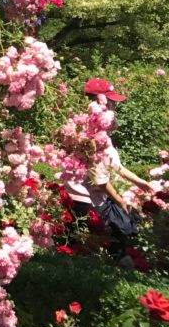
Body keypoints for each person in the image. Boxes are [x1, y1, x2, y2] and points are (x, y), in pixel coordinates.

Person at [64, 78, 155, 249]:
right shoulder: (93, 136)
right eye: (112, 102)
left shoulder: (97, 130)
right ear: (100, 102)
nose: (114, 106)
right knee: (115, 238)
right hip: (85, 201)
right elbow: (100, 181)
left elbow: (116, 167)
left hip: (90, 196)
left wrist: (139, 182)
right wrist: (120, 201)